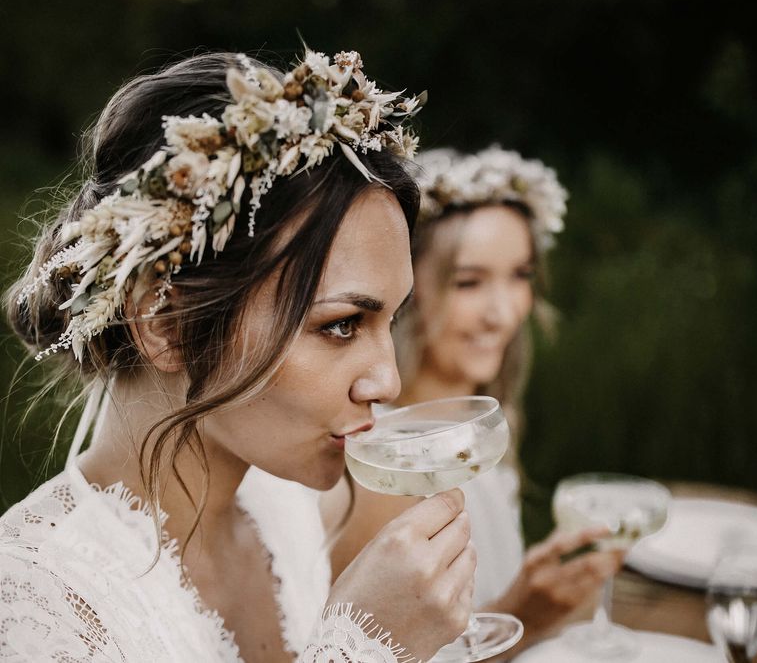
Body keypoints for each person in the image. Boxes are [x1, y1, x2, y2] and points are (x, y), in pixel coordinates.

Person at [0, 49, 477, 662]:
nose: (386, 380)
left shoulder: (286, 511)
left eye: (391, 319)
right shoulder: (34, 606)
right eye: (341, 324)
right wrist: (363, 650)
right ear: (165, 323)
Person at [331, 145, 624, 650]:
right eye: (469, 283)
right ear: (406, 285)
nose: (503, 312)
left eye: (521, 276)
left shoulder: (483, 426)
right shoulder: (385, 460)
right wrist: (521, 613)